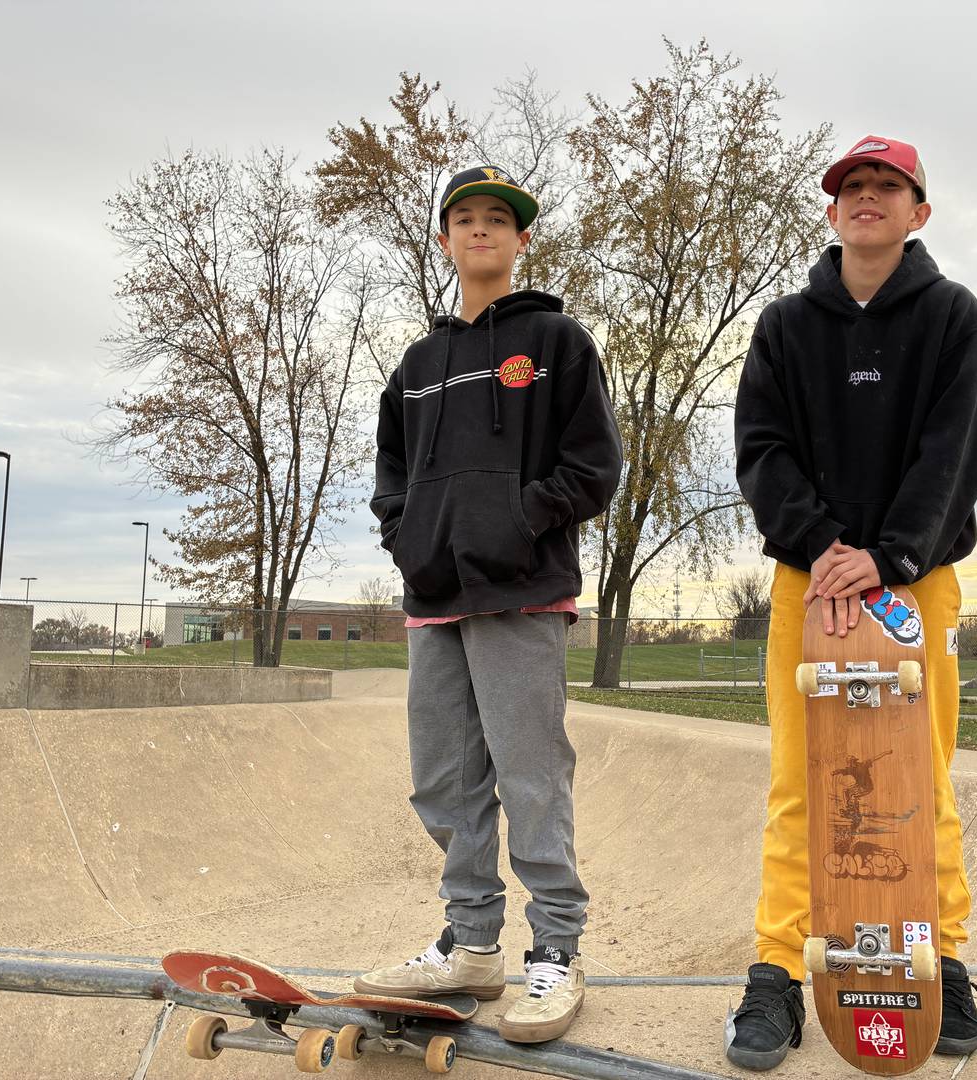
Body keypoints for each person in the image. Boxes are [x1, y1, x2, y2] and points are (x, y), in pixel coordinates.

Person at [726, 135, 977, 1069]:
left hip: (914, 584)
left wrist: (887, 556)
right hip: (814, 584)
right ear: (832, 211)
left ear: (919, 212)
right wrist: (825, 549)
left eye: (888, 186)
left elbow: (954, 452)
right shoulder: (785, 326)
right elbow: (762, 449)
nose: (868, 199)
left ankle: (943, 959)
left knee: (922, 777)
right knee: (803, 781)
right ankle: (775, 974)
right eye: (852, 187)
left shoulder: (951, 317)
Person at [361, 165, 623, 1045]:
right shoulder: (419, 364)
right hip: (434, 596)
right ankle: (472, 943)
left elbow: (593, 468)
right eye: (464, 219)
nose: (480, 231)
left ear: (519, 241)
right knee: (443, 778)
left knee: (530, 774)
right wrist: (408, 535)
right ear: (444, 239)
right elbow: (390, 475)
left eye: (497, 221)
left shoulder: (555, 341)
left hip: (520, 593)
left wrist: (517, 520)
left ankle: (555, 949)